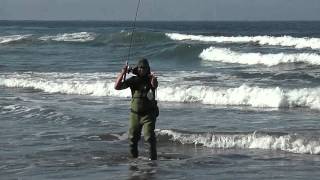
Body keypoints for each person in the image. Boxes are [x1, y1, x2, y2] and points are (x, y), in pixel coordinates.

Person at [114, 58, 159, 160]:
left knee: (149, 137)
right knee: (132, 139)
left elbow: (154, 85)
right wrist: (123, 73)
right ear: (137, 69)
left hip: (149, 114)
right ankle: (133, 161)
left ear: (148, 69)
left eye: (145, 68)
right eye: (141, 68)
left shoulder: (150, 79)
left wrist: (153, 78)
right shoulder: (133, 80)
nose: (142, 70)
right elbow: (117, 87)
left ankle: (153, 162)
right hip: (135, 114)